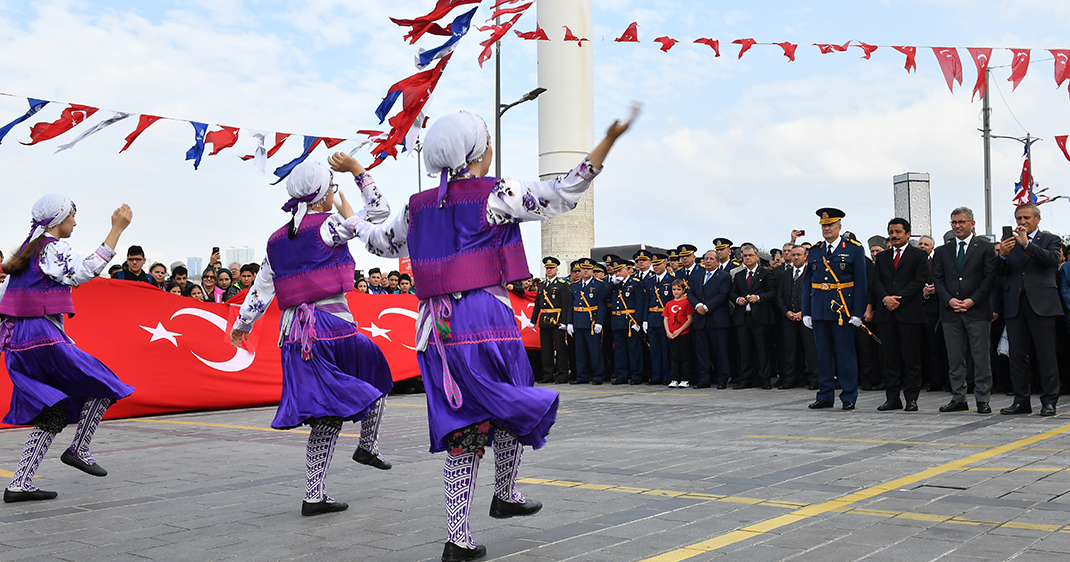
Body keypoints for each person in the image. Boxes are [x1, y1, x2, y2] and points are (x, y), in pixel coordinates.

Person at [339, 105, 638, 561]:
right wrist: (608, 142)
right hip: (484, 321)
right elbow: (564, 192)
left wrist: (360, 188)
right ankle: (506, 492)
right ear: (481, 150)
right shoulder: (495, 195)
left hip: (435, 328)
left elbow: (380, 241)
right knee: (510, 405)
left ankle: (459, 536)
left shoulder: (418, 207)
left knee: (463, 428)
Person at [229, 158, 395, 517]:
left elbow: (261, 289)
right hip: (332, 327)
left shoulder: (276, 240)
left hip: (293, 335)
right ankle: (367, 445)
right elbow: (380, 212)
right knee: (378, 376)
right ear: (324, 194)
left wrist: (243, 323)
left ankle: (314, 495)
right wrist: (357, 169)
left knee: (325, 415)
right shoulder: (328, 227)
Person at [0, 194, 135, 502]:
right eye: (72, 216)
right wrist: (117, 229)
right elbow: (86, 270)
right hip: (42, 339)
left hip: (19, 344)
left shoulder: (25, 253)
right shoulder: (52, 248)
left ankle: (20, 483)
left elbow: (2, 298)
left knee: (53, 411)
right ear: (59, 220)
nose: (75, 221)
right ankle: (80, 448)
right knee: (105, 383)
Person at [998, 203, 1062, 416]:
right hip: (1016, 304)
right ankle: (1021, 401)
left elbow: (1053, 260)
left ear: (1037, 219)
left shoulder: (1050, 239)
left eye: (1026, 218)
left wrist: (1027, 245)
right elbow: (999, 273)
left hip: (1042, 304)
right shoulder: (1010, 242)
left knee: (1046, 354)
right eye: (1018, 219)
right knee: (1017, 356)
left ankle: (1049, 400)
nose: (1022, 222)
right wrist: (1003, 256)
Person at [933, 207, 998, 414]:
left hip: (977, 311)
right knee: (955, 358)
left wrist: (972, 300)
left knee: (980, 357)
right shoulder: (943, 251)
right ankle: (958, 397)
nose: (957, 226)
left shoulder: (985, 248)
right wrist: (950, 300)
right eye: (954, 222)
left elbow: (990, 279)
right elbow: (938, 279)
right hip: (951, 312)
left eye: (961, 222)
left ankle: (982, 398)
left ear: (972, 223)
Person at [803, 208, 867, 411]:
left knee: (845, 354)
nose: (827, 229)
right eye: (824, 226)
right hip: (820, 309)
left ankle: (849, 395)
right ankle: (825, 395)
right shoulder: (814, 250)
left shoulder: (854, 249)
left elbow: (861, 283)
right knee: (822, 355)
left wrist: (857, 312)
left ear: (839, 227)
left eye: (830, 225)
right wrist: (807, 311)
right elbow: (808, 283)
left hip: (843, 310)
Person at [871, 218, 928, 412]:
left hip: (909, 314)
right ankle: (892, 397)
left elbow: (919, 281)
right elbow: (876, 281)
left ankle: (912, 398)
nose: (894, 236)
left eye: (898, 232)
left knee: (911, 358)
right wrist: (885, 298)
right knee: (890, 358)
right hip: (886, 314)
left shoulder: (918, 255)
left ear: (908, 234)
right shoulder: (883, 257)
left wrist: (899, 299)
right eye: (891, 232)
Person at [729, 243, 778, 389]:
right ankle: (745, 379)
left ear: (757, 257)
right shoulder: (738, 275)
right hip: (743, 317)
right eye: (745, 256)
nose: (747, 258)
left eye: (750, 255)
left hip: (760, 317)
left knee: (762, 349)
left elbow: (772, 293)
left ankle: (764, 379)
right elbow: (732, 292)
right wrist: (738, 300)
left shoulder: (766, 273)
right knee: (744, 350)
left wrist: (758, 298)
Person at [687, 249, 731, 388]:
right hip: (700, 320)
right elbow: (691, 293)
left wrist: (706, 307)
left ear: (718, 261)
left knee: (720, 351)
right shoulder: (698, 277)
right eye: (706, 258)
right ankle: (704, 378)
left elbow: (722, 295)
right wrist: (698, 305)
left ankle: (722, 378)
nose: (708, 261)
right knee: (702, 351)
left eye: (712, 259)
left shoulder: (724, 276)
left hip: (717, 320)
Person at [777, 244, 817, 389]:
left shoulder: (812, 273)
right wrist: (786, 312)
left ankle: (814, 379)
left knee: (810, 350)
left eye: (799, 255)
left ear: (805, 256)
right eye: (793, 255)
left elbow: (815, 296)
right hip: (788, 318)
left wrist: (804, 312)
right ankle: (790, 379)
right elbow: (779, 296)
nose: (796, 257)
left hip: (806, 318)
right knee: (790, 350)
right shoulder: (784, 275)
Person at [531, 257, 570, 384]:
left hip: (557, 320)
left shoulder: (562, 285)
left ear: (556, 270)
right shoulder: (542, 285)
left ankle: (563, 374)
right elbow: (537, 304)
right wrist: (533, 320)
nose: (549, 270)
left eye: (551, 268)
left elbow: (565, 305)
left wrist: (564, 321)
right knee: (546, 349)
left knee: (560, 349)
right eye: (547, 268)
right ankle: (548, 374)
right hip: (544, 320)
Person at [608, 259, 646, 385]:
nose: (618, 274)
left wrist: (638, 321)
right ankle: (621, 375)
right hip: (617, 320)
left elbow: (640, 303)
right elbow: (603, 296)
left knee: (634, 350)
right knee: (619, 350)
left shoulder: (635, 283)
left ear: (627, 270)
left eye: (619, 270)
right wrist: (612, 284)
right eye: (615, 272)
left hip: (630, 321)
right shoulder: (614, 285)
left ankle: (637, 375)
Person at [643, 253, 674, 385]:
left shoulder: (672, 279)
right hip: (652, 318)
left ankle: (667, 376)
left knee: (666, 349)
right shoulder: (649, 280)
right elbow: (646, 301)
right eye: (654, 265)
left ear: (665, 264)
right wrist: (645, 319)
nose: (655, 267)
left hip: (665, 318)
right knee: (654, 350)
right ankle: (656, 376)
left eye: (658, 264)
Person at [664, 278, 694, 388]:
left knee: (684, 357)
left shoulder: (686, 303)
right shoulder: (669, 303)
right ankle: (674, 378)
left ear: (683, 290)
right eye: (674, 289)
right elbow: (666, 318)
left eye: (678, 289)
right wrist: (668, 331)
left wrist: (679, 330)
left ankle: (685, 379)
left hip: (683, 333)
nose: (676, 292)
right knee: (674, 357)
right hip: (671, 334)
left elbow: (689, 319)